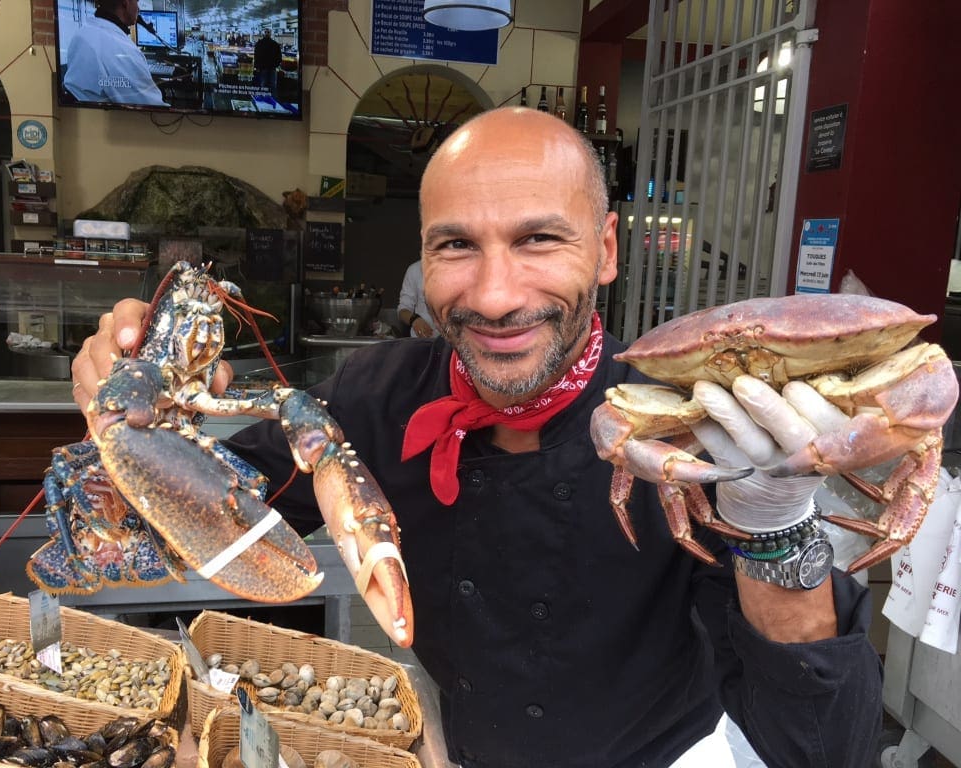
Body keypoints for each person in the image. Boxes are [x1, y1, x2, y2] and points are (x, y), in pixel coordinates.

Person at [71, 107, 883, 768]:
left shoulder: (689, 424)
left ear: (605, 251)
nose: (495, 297)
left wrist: (776, 527)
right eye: (456, 244)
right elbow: (145, 539)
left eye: (538, 239)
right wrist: (132, 424)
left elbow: (818, 746)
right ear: (423, 259)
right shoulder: (370, 398)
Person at [63, 0, 168, 107]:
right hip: (109, 120)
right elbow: (153, 109)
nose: (138, 8)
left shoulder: (81, 34)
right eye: (137, 2)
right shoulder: (124, 51)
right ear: (125, 3)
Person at [397, 259, 437, 338]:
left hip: (453, 343)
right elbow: (403, 309)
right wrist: (414, 320)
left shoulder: (458, 268)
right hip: (422, 341)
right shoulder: (414, 270)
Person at [253, 29, 282, 99]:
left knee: (263, 84)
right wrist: (276, 65)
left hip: (263, 68)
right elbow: (279, 58)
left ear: (263, 34)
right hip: (272, 68)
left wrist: (257, 67)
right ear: (271, 34)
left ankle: (264, 100)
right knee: (273, 85)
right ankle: (273, 100)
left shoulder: (259, 44)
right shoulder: (275, 44)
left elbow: (256, 56)